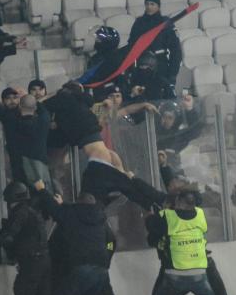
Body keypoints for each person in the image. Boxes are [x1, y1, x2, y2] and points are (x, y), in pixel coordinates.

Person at [42, 81, 166, 210]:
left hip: (100, 159)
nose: (113, 100)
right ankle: (155, 202)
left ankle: (155, 202)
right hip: (106, 156)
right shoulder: (88, 109)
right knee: (128, 186)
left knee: (123, 188)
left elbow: (42, 104)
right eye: (111, 96)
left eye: (117, 96)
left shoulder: (77, 108)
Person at [135, 183, 226, 295]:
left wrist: (149, 216)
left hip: (174, 272)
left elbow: (153, 229)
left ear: (178, 200)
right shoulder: (200, 214)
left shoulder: (167, 216)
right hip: (198, 270)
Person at [32, 180, 109, 295]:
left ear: (78, 203)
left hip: (82, 269)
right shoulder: (99, 216)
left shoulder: (72, 213)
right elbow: (70, 212)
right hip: (102, 273)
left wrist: (42, 190)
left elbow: (54, 210)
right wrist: (64, 204)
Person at [126, 0, 181, 94]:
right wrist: (130, 70)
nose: (149, 7)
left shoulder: (166, 23)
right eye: (147, 4)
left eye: (152, 4)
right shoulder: (139, 22)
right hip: (141, 67)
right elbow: (131, 46)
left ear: (158, 6)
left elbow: (176, 50)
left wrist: (173, 74)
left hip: (161, 68)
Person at [81, 26, 127, 102]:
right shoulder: (96, 58)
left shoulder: (114, 58)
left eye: (98, 39)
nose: (96, 41)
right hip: (103, 96)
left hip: (112, 97)